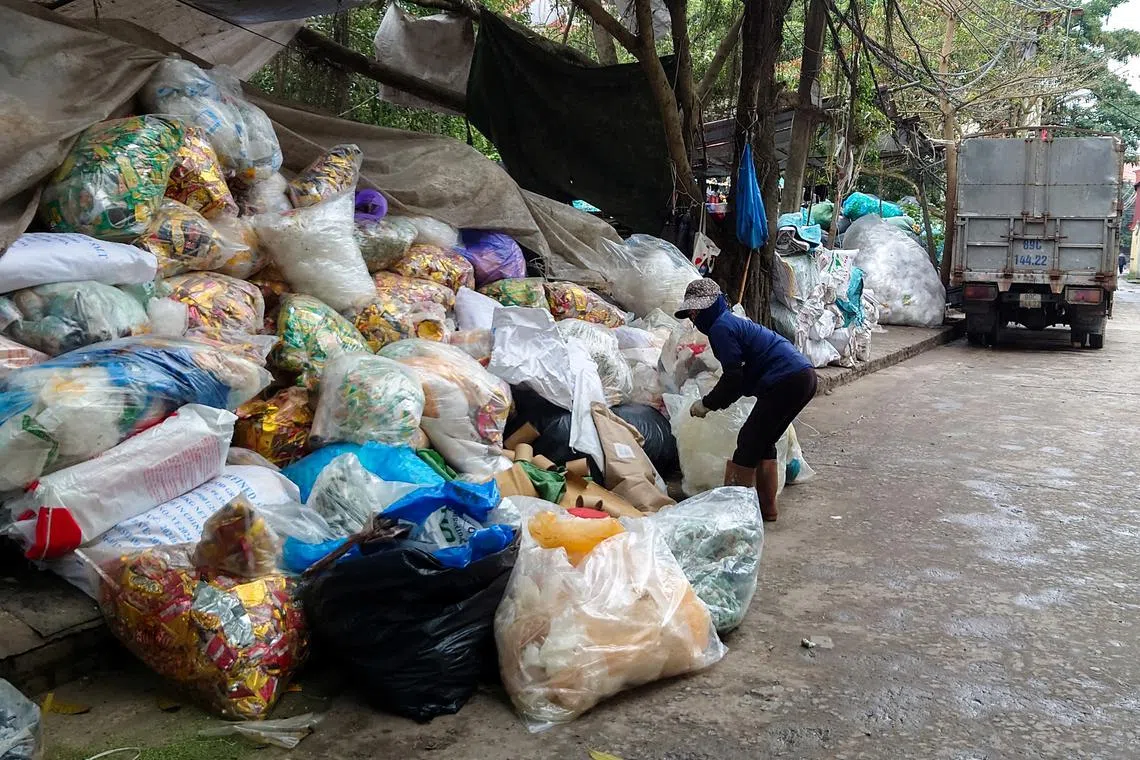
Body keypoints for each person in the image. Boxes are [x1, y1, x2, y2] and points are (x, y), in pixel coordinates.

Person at [675, 278, 817, 522]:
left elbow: (734, 377)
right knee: (763, 442)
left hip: (787, 380)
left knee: (749, 442)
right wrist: (717, 401)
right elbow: (741, 378)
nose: (693, 318)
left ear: (710, 307)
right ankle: (766, 510)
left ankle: (735, 516)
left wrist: (707, 404)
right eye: (690, 313)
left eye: (696, 311)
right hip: (802, 377)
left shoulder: (721, 328)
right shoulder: (729, 323)